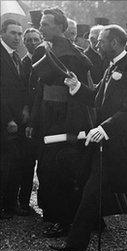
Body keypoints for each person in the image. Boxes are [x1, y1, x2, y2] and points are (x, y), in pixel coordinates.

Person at [51, 24, 127, 251]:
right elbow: (96, 97)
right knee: (91, 191)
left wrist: (104, 127)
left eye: (101, 40)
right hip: (110, 145)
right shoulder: (110, 67)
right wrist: (77, 87)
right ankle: (76, 244)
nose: (97, 44)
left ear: (114, 42)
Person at [31, 8, 94, 238]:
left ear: (60, 27)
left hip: (65, 121)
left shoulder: (72, 54)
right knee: (49, 168)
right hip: (50, 117)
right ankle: (57, 215)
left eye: (46, 24)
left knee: (60, 169)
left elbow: (78, 93)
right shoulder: (47, 48)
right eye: (41, 23)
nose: (41, 27)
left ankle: (65, 220)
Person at [0, 19, 28, 219]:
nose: (17, 37)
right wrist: (8, 118)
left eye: (19, 34)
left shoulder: (16, 57)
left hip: (18, 120)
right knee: (4, 164)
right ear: (2, 33)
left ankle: (10, 204)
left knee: (15, 163)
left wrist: (25, 109)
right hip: (5, 121)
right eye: (13, 33)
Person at [15, 27, 43, 216]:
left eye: (35, 39)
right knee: (26, 163)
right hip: (27, 119)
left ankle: (45, 201)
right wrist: (25, 108)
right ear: (24, 42)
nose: (32, 43)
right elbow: (21, 91)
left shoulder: (46, 60)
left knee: (45, 163)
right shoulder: (22, 63)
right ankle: (24, 202)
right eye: (29, 40)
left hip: (43, 118)